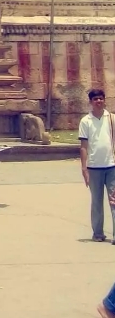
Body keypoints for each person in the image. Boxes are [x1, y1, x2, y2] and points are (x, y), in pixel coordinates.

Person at [79, 88, 115, 242]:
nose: (99, 101)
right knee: (97, 202)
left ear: (104, 100)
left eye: (101, 98)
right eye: (95, 99)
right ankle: (98, 233)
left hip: (112, 166)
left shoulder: (112, 119)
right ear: (91, 102)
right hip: (94, 167)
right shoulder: (85, 121)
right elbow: (83, 146)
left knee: (114, 200)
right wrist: (84, 168)